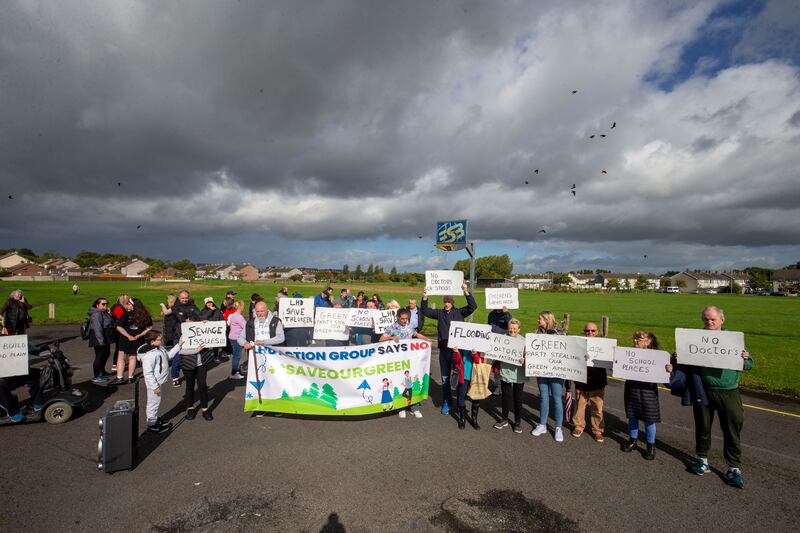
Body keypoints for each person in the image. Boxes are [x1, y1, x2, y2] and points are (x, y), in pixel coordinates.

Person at [677, 306, 752, 488]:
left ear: (722, 320)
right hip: (703, 389)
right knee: (703, 425)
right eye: (705, 319)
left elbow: (748, 365)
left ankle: (734, 467)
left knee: (732, 427)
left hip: (729, 391)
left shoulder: (732, 340)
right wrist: (678, 356)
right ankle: (702, 460)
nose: (709, 322)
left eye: (712, 319)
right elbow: (685, 359)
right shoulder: (695, 339)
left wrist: (745, 358)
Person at [421, 282, 477, 425]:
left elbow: (473, 307)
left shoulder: (459, 312)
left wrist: (466, 291)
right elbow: (425, 311)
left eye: (449, 301)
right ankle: (447, 402)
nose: (447, 304)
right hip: (444, 351)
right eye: (445, 301)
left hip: (458, 352)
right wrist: (425, 296)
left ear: (453, 302)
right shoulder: (439, 313)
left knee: (459, 379)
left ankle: (460, 404)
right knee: (445, 379)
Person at [621, 331, 669, 460]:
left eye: (640, 339)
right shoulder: (627, 354)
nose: (636, 341)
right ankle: (633, 440)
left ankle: (650, 445)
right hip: (632, 388)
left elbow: (663, 372)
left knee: (649, 418)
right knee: (632, 416)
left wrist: (668, 368)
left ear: (648, 342)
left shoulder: (656, 356)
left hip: (648, 391)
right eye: (635, 338)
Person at [379, 308, 429, 419]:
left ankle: (414, 407)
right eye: (402, 319)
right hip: (397, 360)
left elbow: (417, 335)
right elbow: (381, 339)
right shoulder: (392, 327)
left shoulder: (409, 326)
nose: (405, 321)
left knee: (410, 384)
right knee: (399, 382)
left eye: (406, 319)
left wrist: (427, 340)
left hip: (410, 360)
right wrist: (391, 338)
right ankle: (401, 407)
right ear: (398, 317)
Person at [238, 300, 286, 416]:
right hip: (255, 358)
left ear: (266, 309)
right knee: (259, 382)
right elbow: (240, 337)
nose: (259, 313)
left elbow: (281, 338)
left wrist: (264, 342)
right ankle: (261, 406)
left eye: (262, 311)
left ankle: (275, 406)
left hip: (273, 357)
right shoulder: (250, 322)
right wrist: (244, 343)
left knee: (274, 381)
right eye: (257, 311)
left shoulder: (275, 321)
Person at [136, 330, 189, 433]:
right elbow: (148, 373)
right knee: (153, 404)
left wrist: (178, 346)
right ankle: (152, 424)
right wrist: (154, 386)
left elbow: (168, 356)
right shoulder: (149, 355)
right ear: (152, 342)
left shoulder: (159, 349)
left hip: (159, 381)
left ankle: (154, 419)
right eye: (159, 339)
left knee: (156, 402)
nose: (161, 341)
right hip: (155, 384)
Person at [530, 311, 567, 442]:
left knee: (557, 398)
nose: (537, 321)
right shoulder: (536, 334)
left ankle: (558, 427)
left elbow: (567, 351)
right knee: (543, 397)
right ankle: (542, 424)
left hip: (556, 371)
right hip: (542, 371)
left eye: (539, 319)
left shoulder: (560, 333)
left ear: (547, 320)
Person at [572, 322, 608, 442]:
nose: (590, 333)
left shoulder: (603, 346)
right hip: (581, 381)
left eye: (593, 331)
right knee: (579, 407)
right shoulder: (578, 344)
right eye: (587, 331)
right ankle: (578, 426)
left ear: (597, 332)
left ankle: (598, 430)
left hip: (597, 381)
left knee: (597, 408)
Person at [493, 318, 528, 433]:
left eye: (514, 328)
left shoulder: (523, 341)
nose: (512, 330)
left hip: (518, 374)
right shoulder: (502, 339)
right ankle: (504, 419)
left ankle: (517, 422)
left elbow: (530, 358)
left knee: (518, 398)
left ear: (519, 329)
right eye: (510, 328)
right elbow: (495, 352)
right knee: (505, 397)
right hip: (505, 372)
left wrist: (525, 360)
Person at [110, 298, 153, 385]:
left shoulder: (126, 314)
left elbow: (119, 326)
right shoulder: (144, 315)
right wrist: (140, 334)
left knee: (121, 357)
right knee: (133, 357)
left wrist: (128, 335)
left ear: (134, 305)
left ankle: (120, 377)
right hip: (137, 338)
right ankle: (131, 377)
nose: (127, 305)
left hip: (126, 338)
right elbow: (149, 327)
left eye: (129, 304)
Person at [180, 320, 215, 421]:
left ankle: (205, 409)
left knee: (202, 385)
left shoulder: (202, 334)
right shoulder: (184, 336)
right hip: (188, 364)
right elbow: (181, 350)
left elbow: (212, 344)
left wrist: (208, 327)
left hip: (201, 364)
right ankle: (190, 408)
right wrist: (196, 350)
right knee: (190, 386)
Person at [170, 290, 200, 387]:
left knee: (192, 354)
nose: (184, 299)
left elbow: (198, 314)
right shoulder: (175, 306)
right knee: (178, 357)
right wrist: (186, 318)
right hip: (179, 334)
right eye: (183, 298)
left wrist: (190, 319)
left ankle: (190, 374)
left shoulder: (192, 305)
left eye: (186, 297)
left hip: (191, 334)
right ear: (179, 297)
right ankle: (175, 377)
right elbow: (179, 318)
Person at [87, 297, 115, 383]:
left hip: (104, 336)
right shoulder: (97, 314)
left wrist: (110, 314)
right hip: (99, 337)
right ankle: (96, 375)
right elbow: (97, 328)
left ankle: (102, 371)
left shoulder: (104, 312)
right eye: (103, 304)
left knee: (106, 354)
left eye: (107, 304)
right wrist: (101, 340)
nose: (105, 305)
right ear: (97, 305)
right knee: (99, 356)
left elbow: (111, 321)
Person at [227, 300, 247, 379]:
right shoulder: (238, 316)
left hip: (233, 337)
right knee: (236, 356)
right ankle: (234, 373)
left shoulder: (234, 315)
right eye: (243, 306)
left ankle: (235, 371)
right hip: (236, 338)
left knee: (236, 355)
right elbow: (246, 326)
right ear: (240, 307)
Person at [109, 294, 129, 372]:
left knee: (121, 348)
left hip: (119, 330)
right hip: (118, 331)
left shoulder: (119, 307)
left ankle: (120, 362)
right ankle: (115, 364)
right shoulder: (119, 308)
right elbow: (121, 320)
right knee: (119, 348)